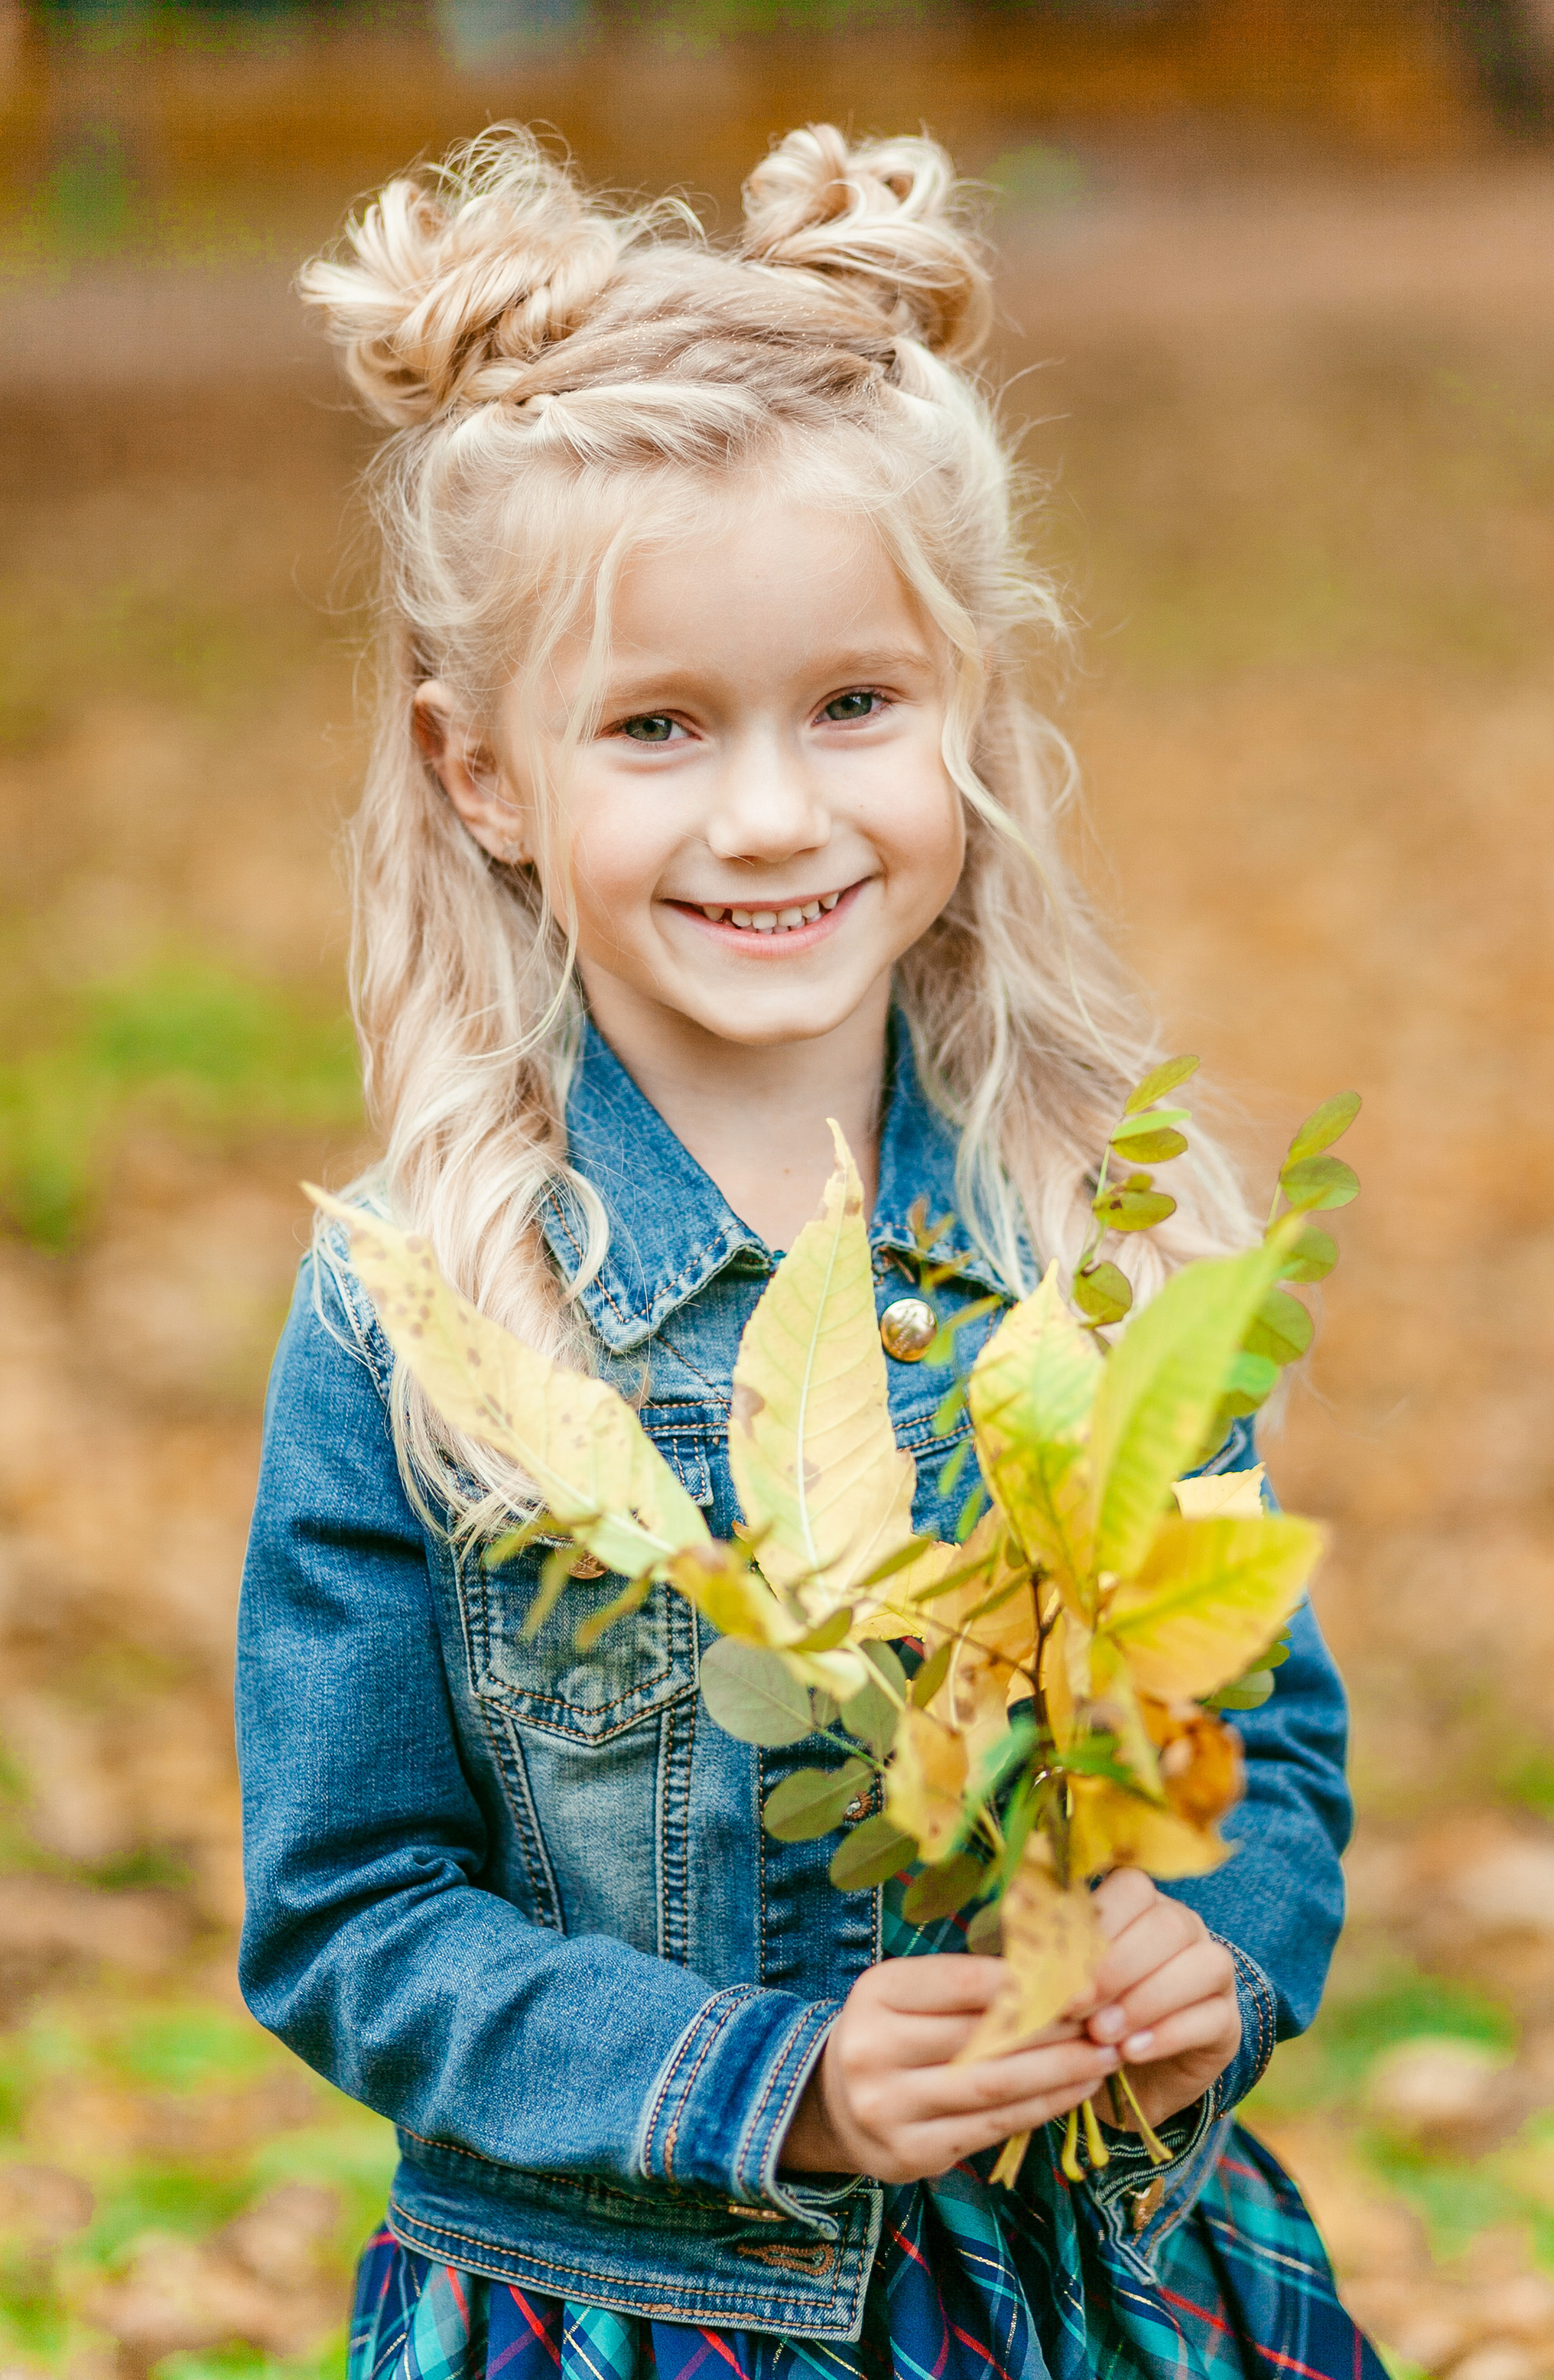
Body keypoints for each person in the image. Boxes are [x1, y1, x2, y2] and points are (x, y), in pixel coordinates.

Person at [237, 123, 1382, 2380]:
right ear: (480, 774)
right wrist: (776, 2089)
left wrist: (1208, 1958)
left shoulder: (1105, 1245)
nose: (772, 814)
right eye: (658, 730)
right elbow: (351, 1912)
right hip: (653, 2305)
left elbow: (1274, 1749)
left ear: (967, 709)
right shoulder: (437, 1313)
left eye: (854, 706)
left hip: (1096, 2286)